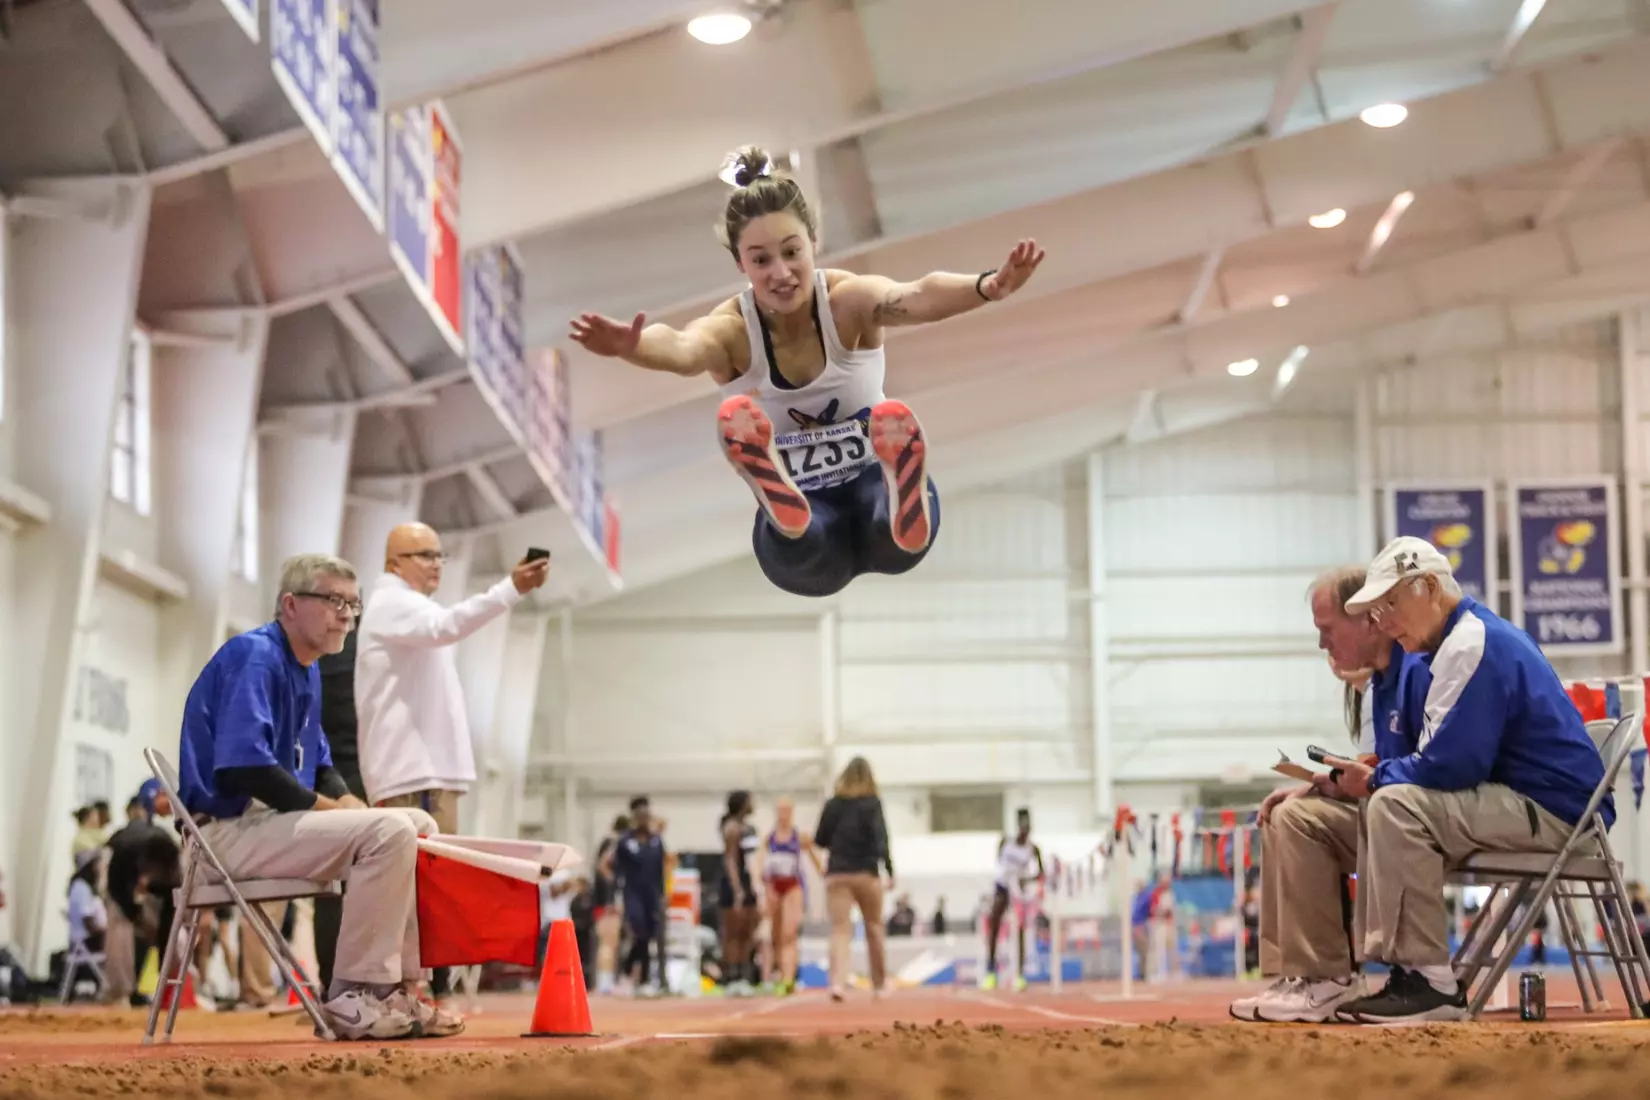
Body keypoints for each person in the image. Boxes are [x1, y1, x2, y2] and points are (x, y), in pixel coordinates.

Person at [569, 145, 1045, 598]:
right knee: (809, 540)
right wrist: (632, 346)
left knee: (879, 529)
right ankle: (786, 504)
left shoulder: (848, 302)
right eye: (761, 260)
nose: (780, 272)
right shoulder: (733, 331)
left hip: (872, 481)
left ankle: (898, 500)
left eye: (792, 252)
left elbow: (917, 295)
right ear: (741, 263)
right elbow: (683, 347)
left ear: (814, 242)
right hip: (805, 506)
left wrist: (990, 285)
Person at [176, 552, 462, 1041]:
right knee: (391, 830)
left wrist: (348, 801)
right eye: (334, 601)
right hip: (221, 835)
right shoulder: (256, 655)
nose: (347, 614)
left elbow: (322, 764)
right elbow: (246, 767)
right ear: (290, 604)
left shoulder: (304, 668)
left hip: (264, 828)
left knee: (418, 825)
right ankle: (356, 995)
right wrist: (336, 810)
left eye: (354, 604)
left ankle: (403, 989)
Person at [1330, 535, 1611, 1024]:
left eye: (1391, 604)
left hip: (1556, 812)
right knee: (1389, 797)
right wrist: (1382, 777)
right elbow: (1446, 762)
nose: (1385, 622)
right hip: (1544, 801)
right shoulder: (1464, 639)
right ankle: (1408, 970)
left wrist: (1377, 778)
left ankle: (1429, 982)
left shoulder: (1470, 643)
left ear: (1431, 588)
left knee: (1395, 804)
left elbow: (1451, 766)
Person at [355, 522, 549, 1003]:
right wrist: (510, 589)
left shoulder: (411, 607)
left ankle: (425, 989)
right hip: (409, 770)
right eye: (425, 555)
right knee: (410, 888)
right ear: (394, 562)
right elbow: (446, 627)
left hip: (429, 769)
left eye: (440, 554)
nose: (437, 563)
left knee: (434, 888)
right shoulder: (392, 603)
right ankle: (401, 988)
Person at [1230, 564, 1431, 1024]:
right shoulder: (1383, 684)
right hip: (1397, 813)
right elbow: (1380, 765)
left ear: (1366, 618)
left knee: (1302, 821)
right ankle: (1301, 975)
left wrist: (1351, 782)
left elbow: (1426, 767)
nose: (1323, 645)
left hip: (1421, 822)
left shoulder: (1416, 671)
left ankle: (1327, 976)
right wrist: (1319, 783)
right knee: (1287, 813)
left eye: (1327, 630)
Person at [814, 756, 894, 1001]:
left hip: (838, 873)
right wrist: (889, 869)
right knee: (874, 927)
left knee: (840, 929)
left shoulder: (833, 804)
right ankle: (879, 986)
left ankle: (837, 983)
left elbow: (820, 839)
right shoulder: (872, 803)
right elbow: (881, 838)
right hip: (866, 873)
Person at [602, 796, 669, 996]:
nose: (644, 818)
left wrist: (663, 895)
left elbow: (661, 870)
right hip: (632, 893)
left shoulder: (656, 841)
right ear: (634, 817)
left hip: (653, 894)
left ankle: (643, 979)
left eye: (647, 815)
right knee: (638, 930)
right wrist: (614, 892)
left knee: (648, 935)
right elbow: (609, 866)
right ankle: (628, 974)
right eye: (640, 815)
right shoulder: (624, 841)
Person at [758, 796, 821, 995]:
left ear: (792, 812)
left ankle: (788, 978)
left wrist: (824, 872)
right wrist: (763, 885)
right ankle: (777, 975)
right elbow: (761, 862)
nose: (783, 814)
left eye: (787, 810)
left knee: (789, 933)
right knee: (775, 934)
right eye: (780, 810)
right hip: (775, 886)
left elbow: (815, 857)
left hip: (793, 886)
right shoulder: (769, 837)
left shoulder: (799, 837)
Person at [980, 807, 1044, 992]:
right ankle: (991, 972)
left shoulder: (1034, 849)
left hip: (1019, 891)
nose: (1025, 830)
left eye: (1028, 827)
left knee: (1020, 930)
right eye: (1022, 825)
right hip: (1002, 887)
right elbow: (999, 864)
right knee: (994, 925)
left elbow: (1040, 874)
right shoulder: (1005, 842)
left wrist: (1025, 879)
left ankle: (1019, 975)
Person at [717, 790, 761, 996]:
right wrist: (737, 890)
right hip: (734, 884)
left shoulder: (750, 828)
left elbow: (754, 858)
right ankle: (731, 976)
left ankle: (745, 974)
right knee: (733, 933)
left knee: (747, 931)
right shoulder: (732, 828)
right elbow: (730, 860)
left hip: (749, 883)